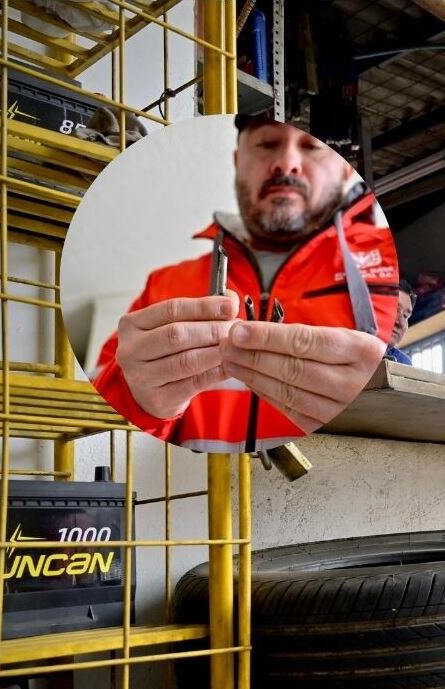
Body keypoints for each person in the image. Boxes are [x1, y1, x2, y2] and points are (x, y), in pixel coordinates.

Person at [92, 114, 400, 452]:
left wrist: (373, 407)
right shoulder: (164, 284)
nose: (286, 164)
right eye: (267, 145)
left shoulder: (384, 277)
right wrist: (141, 403)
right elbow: (108, 426)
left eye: (311, 148)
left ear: (342, 170)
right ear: (239, 162)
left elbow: (412, 399)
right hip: (197, 493)